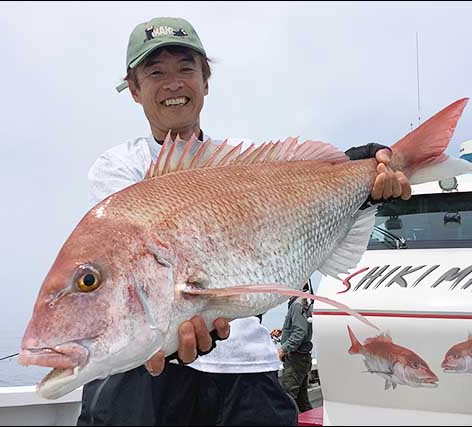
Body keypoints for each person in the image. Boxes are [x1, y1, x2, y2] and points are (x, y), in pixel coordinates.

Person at [77, 16, 411, 426]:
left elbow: (298, 202)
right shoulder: (118, 167)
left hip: (245, 369)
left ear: (205, 80)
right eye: (155, 72)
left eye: (186, 68)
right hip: (148, 372)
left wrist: (365, 170)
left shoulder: (246, 158)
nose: (173, 84)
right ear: (134, 88)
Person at [271, 282, 315, 414]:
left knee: (286, 398)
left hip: (296, 360)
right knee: (302, 401)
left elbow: (299, 333)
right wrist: (284, 331)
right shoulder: (301, 302)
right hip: (302, 358)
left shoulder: (296, 305)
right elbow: (300, 328)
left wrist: (282, 349)